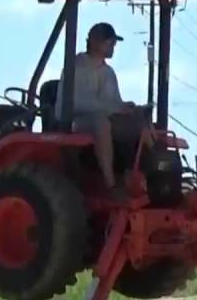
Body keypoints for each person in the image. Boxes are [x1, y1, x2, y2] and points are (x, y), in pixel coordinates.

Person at [60, 22, 141, 197]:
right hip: (76, 121)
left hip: (103, 117)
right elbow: (78, 102)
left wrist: (126, 108)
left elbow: (113, 102)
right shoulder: (76, 67)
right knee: (101, 124)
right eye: (109, 43)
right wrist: (115, 109)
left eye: (113, 44)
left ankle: (148, 177)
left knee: (142, 122)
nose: (113, 47)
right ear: (95, 42)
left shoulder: (108, 72)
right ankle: (111, 185)